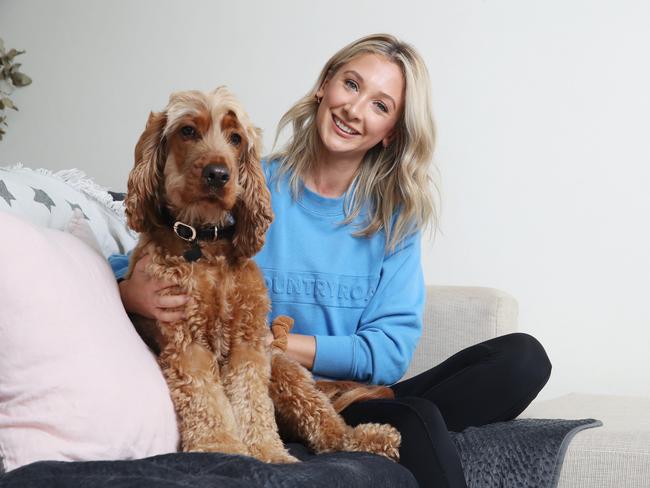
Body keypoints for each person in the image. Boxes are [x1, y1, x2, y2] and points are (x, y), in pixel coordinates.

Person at [110, 34, 552, 488]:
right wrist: (129, 290)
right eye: (351, 84)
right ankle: (387, 428)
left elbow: (390, 352)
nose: (355, 110)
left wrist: (280, 344)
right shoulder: (248, 186)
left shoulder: (393, 218)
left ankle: (377, 422)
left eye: (381, 106)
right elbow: (160, 251)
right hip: (262, 393)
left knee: (523, 360)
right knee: (418, 416)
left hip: (347, 392)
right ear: (324, 85)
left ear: (391, 132)